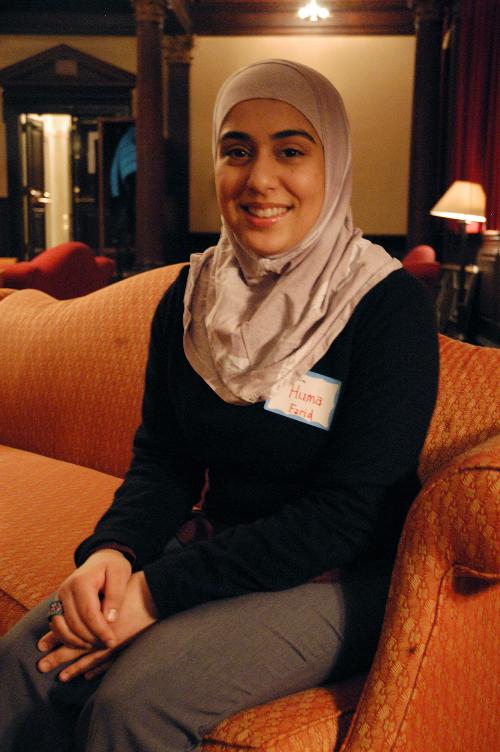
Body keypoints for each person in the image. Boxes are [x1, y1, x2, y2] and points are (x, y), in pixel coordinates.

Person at [0, 60, 439, 752]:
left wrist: (156, 593)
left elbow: (346, 516)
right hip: (222, 544)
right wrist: (113, 551)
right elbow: (164, 461)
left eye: (290, 151)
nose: (259, 178)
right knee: (26, 663)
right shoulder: (191, 297)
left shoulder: (386, 308)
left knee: (134, 704)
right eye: (237, 150)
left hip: (345, 574)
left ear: (334, 164)